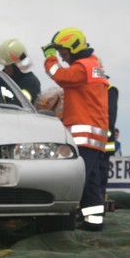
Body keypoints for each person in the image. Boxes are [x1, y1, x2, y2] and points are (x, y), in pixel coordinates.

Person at [42, 27, 110, 232]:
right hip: (94, 136)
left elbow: (60, 75)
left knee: (77, 181)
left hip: (84, 136)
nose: (62, 56)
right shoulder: (93, 65)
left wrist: (49, 58)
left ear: (73, 47)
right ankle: (93, 222)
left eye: (63, 51)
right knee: (90, 181)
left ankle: (65, 223)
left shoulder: (82, 67)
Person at [0, 39, 41, 103]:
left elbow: (21, 104)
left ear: (17, 66)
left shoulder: (31, 83)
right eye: (5, 66)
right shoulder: (2, 80)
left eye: (8, 66)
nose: (5, 69)